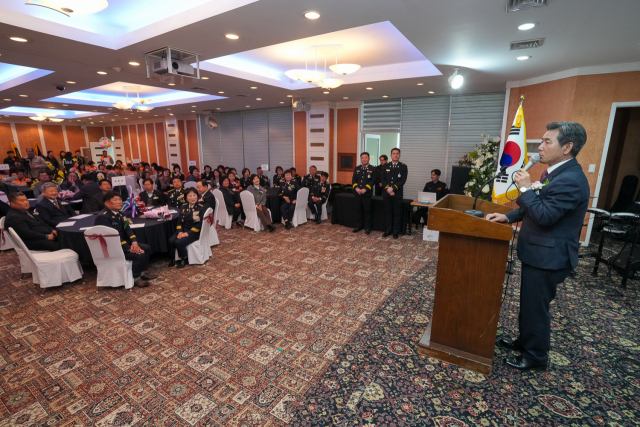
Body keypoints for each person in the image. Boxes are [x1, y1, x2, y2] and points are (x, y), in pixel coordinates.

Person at [487, 121, 590, 371]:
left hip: (549, 257)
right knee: (529, 303)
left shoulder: (571, 180)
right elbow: (537, 206)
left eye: (546, 142)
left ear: (567, 147)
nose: (540, 147)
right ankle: (525, 341)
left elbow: (544, 216)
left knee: (536, 308)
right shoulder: (554, 173)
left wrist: (524, 187)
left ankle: (535, 356)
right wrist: (508, 217)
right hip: (539, 253)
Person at [94, 192, 155, 287]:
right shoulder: (103, 217)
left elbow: (128, 230)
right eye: (115, 200)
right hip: (112, 248)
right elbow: (111, 238)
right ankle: (136, 278)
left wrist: (134, 243)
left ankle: (142, 273)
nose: (119, 202)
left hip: (122, 244)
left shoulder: (121, 214)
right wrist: (128, 248)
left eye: (119, 199)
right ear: (107, 203)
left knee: (146, 248)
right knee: (140, 254)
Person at [168, 188, 206, 268]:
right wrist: (180, 232)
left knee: (179, 242)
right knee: (171, 241)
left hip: (194, 232)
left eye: (194, 195)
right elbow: (179, 221)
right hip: (183, 230)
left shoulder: (200, 208)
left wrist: (187, 234)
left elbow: (198, 225)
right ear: (186, 198)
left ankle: (184, 258)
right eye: (190, 196)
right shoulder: (183, 206)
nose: (193, 198)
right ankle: (173, 258)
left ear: (197, 196)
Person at [381, 148, 408, 239]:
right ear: (391, 155)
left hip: (397, 194)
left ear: (399, 155)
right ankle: (388, 230)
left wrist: (393, 188)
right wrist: (388, 189)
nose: (395, 155)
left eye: (397, 154)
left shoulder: (403, 167)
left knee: (397, 214)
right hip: (386, 193)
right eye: (394, 153)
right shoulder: (386, 166)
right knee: (388, 213)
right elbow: (382, 179)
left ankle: (395, 231)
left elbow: (403, 180)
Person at [352, 152, 376, 234]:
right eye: (362, 158)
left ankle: (367, 227)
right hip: (357, 193)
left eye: (366, 157)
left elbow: (373, 181)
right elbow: (354, 180)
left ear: (369, 158)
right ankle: (358, 226)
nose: (364, 159)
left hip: (367, 194)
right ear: (361, 159)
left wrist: (365, 189)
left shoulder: (373, 168)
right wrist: (357, 188)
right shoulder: (357, 168)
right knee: (358, 211)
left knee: (367, 211)